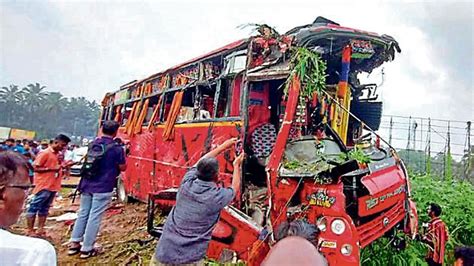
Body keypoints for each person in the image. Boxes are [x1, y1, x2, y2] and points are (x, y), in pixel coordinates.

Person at [153, 138, 243, 265]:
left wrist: (222, 147)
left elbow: (200, 163)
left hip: (164, 254)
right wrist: (236, 166)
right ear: (216, 176)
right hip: (190, 260)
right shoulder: (216, 197)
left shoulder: (186, 183)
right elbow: (234, 187)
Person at [68, 120, 126, 259]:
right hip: (103, 186)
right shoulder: (117, 148)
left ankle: (74, 244)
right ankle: (87, 248)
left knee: (83, 213)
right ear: (116, 131)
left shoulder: (92, 144)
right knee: (95, 216)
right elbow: (123, 167)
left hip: (86, 184)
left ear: (102, 129)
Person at [0, 151, 57, 265]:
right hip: (44, 187)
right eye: (25, 188)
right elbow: (38, 167)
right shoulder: (34, 253)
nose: (26, 195)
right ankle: (30, 229)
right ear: (1, 195)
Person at [25, 134, 71, 237]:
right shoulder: (45, 153)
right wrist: (50, 169)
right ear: (56, 142)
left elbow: (58, 167)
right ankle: (30, 230)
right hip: (44, 185)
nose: (63, 148)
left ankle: (40, 229)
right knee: (34, 207)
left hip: (53, 185)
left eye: (65, 146)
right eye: (62, 145)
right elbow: (35, 168)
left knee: (45, 208)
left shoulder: (58, 155)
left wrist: (64, 165)